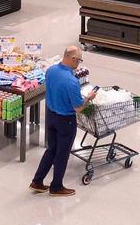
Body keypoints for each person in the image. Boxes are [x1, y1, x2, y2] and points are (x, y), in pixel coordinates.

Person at [29, 45, 98, 197]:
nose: (78, 64)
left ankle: (37, 181)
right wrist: (88, 98)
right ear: (72, 59)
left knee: (51, 149)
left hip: (51, 115)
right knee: (62, 153)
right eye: (78, 60)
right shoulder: (71, 81)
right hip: (65, 121)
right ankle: (56, 186)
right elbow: (78, 108)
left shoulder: (51, 70)